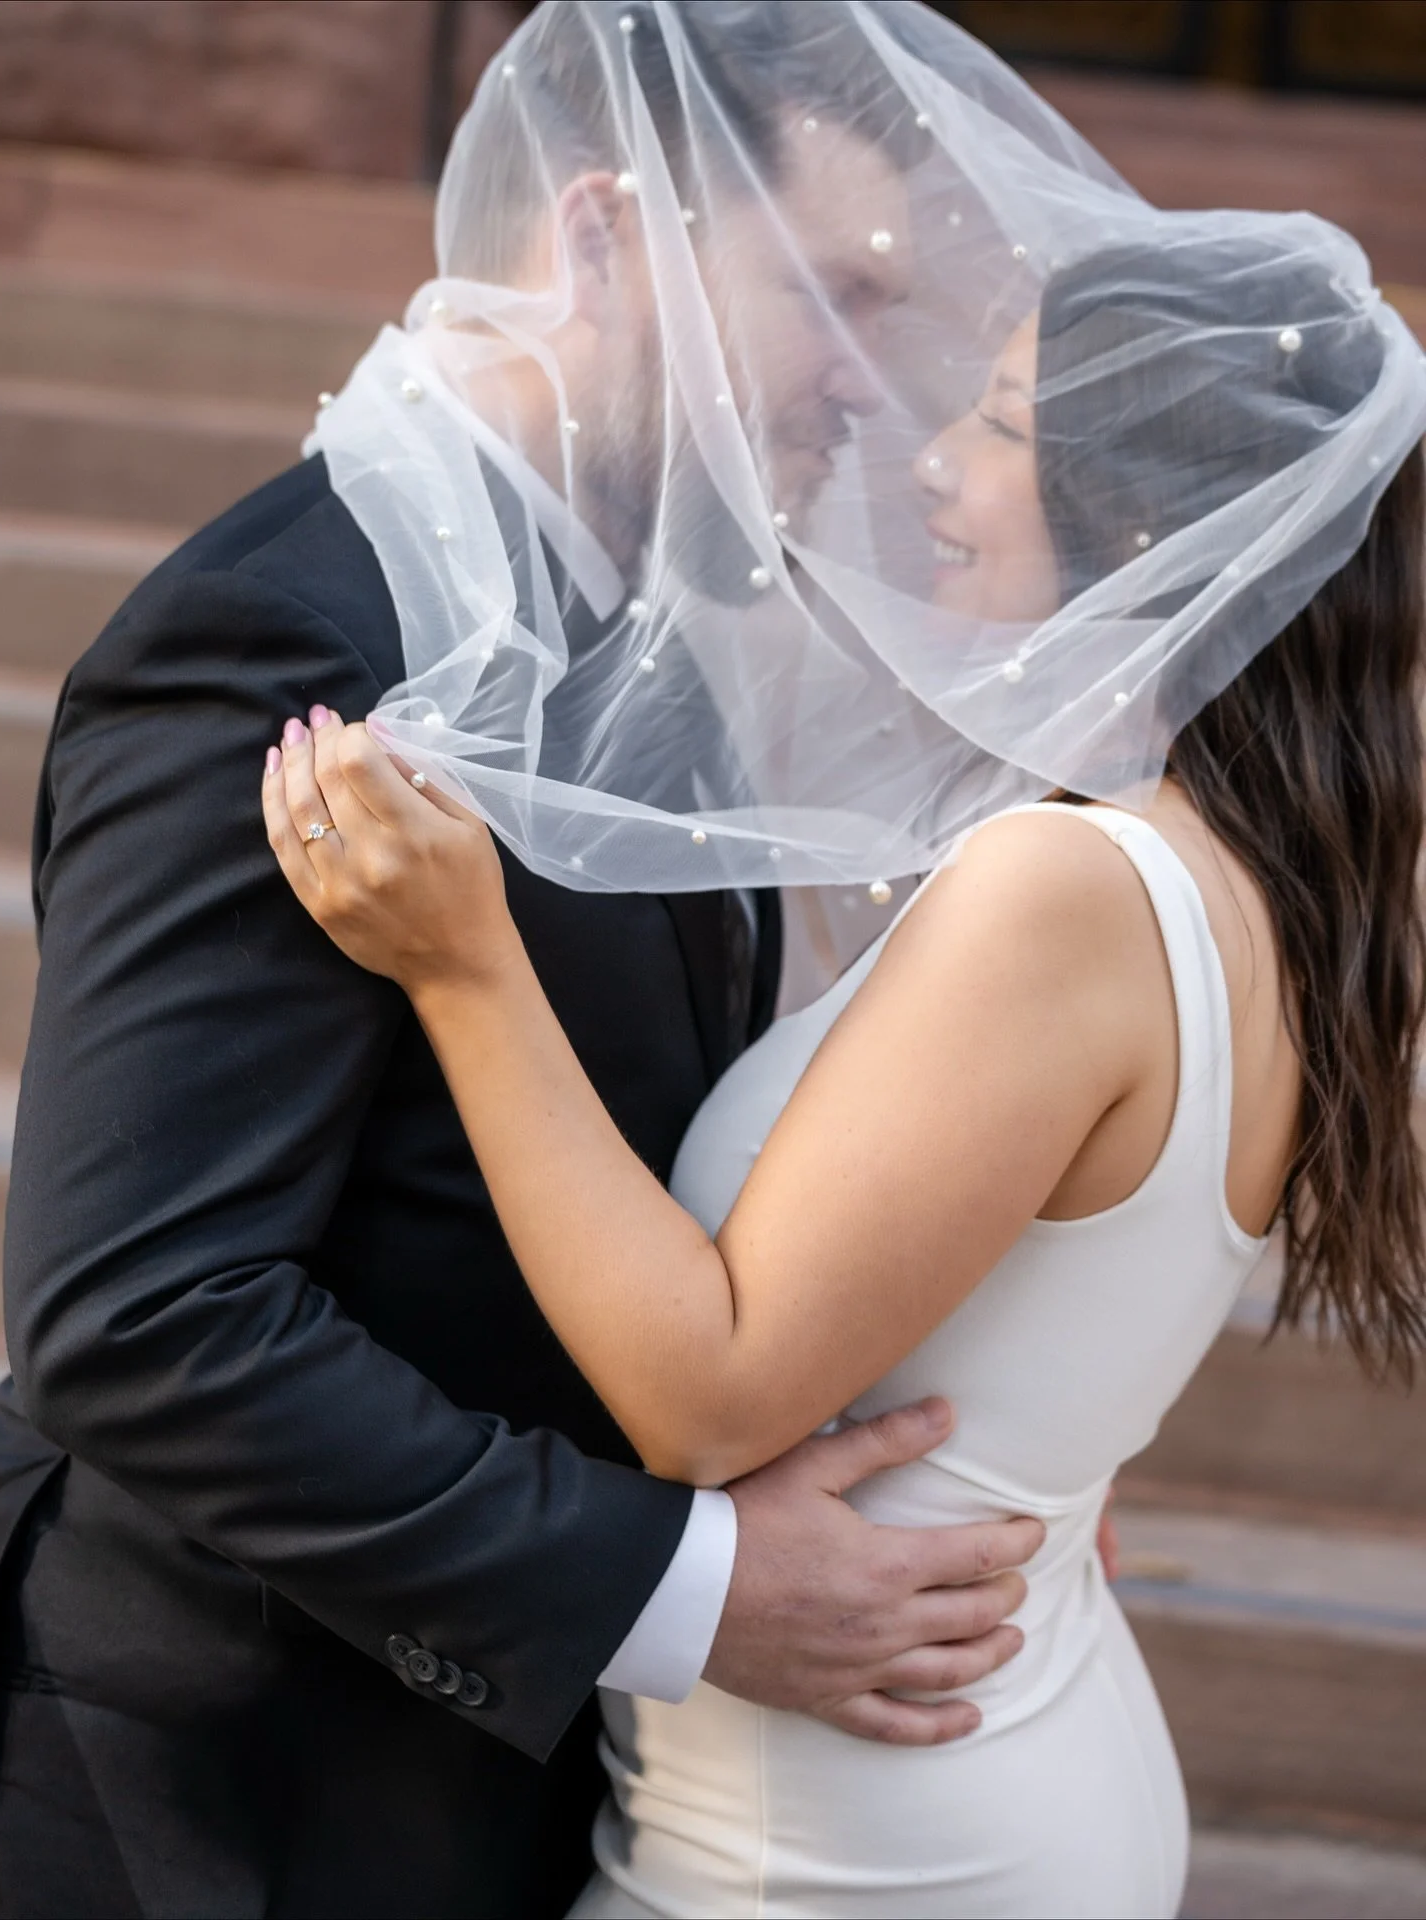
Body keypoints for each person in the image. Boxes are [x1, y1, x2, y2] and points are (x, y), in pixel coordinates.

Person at [261, 70, 1426, 1920]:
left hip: (865, 1858)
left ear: (1137, 520)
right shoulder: (1243, 889)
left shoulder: (1067, 888)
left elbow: (710, 1400)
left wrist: (466, 963)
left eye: (1001, 422)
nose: (938, 463)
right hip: (944, 1764)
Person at [0, 8, 1054, 1919]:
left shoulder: (641, 657)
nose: (865, 383)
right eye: (828, 292)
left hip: (457, 1796)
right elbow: (139, 1313)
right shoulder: (282, 637)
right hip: (202, 1801)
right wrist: (696, 1592)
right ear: (600, 235)